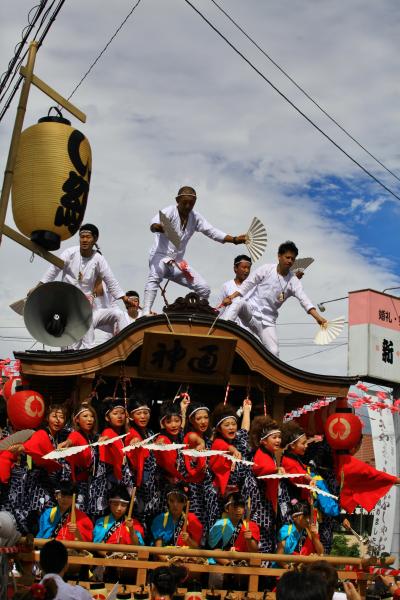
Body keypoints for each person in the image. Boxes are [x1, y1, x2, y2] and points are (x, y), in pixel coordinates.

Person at [143, 186, 247, 314]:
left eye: (191, 203)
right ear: (177, 200)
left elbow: (212, 231)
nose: (188, 206)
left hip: (177, 263)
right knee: (155, 276)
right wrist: (158, 227)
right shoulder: (169, 211)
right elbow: (153, 224)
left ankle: (198, 315)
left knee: (204, 289)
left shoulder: (195, 217)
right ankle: (145, 312)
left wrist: (235, 239)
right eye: (184, 203)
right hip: (160, 257)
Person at [35, 223, 134, 349]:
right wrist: (38, 286)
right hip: (69, 308)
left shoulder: (98, 259)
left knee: (118, 314)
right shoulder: (69, 253)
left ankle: (128, 347)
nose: (84, 240)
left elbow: (110, 280)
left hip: (89, 309)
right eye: (82, 237)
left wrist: (124, 298)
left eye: (88, 237)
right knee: (70, 347)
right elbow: (53, 270)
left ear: (95, 239)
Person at [221, 240, 326, 356]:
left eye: (293, 259)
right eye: (287, 257)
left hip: (267, 322)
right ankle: (223, 331)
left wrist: (318, 318)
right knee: (238, 302)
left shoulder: (293, 281)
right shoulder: (266, 269)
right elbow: (247, 285)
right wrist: (231, 296)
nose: (290, 261)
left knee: (274, 352)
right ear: (279, 256)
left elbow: (304, 300)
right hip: (250, 311)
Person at [151, 486, 203, 560]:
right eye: (172, 501)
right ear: (168, 501)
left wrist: (188, 540)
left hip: (185, 559)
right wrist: (168, 561)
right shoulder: (160, 519)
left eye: (180, 501)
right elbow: (158, 549)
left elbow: (198, 549)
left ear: (185, 503)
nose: (175, 504)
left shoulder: (191, 519)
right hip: (166, 558)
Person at [217, 254, 262, 337]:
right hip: (228, 331)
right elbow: (218, 312)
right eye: (244, 267)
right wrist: (223, 303)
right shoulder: (226, 286)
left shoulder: (254, 288)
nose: (247, 271)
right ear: (235, 268)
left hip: (246, 335)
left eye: (248, 268)